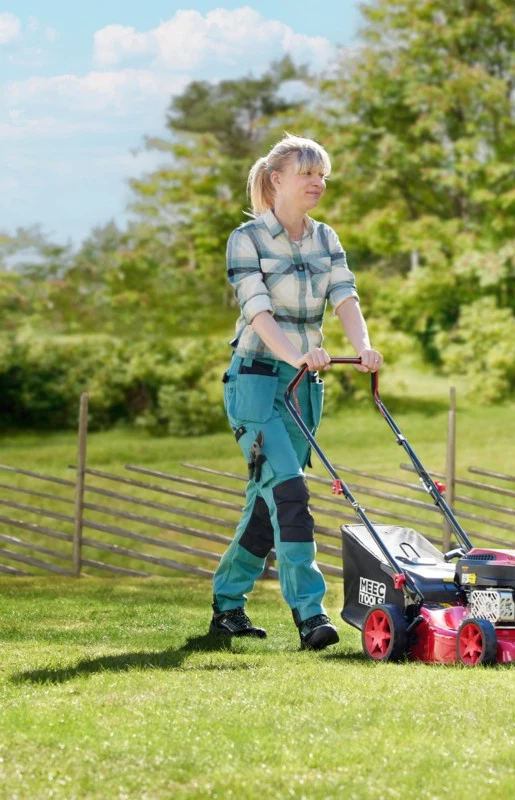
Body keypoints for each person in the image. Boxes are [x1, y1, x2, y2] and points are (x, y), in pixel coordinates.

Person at [209, 133, 383, 650]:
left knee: (268, 505)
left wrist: (364, 347)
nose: (318, 182)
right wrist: (296, 354)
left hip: (301, 389)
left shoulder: (326, 237)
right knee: (289, 492)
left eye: (322, 174)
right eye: (308, 173)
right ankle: (311, 614)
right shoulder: (247, 239)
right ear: (277, 179)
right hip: (255, 384)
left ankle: (227, 605)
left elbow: (344, 297)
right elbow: (257, 311)